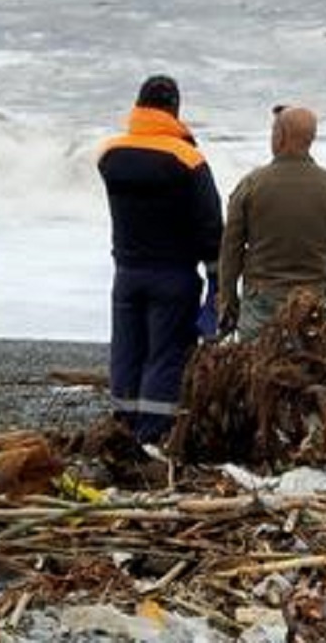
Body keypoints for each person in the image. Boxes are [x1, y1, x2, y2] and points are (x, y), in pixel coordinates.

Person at [98, 76, 222, 443]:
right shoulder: (187, 158)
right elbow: (210, 224)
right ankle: (151, 438)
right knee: (165, 357)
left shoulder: (110, 155)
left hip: (126, 271)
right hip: (173, 274)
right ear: (175, 110)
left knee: (127, 352)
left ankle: (122, 428)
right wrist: (217, 280)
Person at [218, 106, 326, 340]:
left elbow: (230, 250)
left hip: (261, 300)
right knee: (310, 368)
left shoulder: (252, 184)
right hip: (314, 301)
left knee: (257, 369)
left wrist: (228, 301)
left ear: (280, 135)